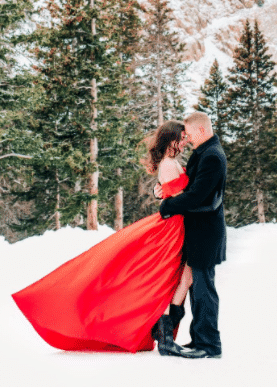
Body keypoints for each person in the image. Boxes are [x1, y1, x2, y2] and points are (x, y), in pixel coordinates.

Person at [11, 120, 194, 354]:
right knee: (161, 279)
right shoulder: (169, 164)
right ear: (172, 140)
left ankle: (163, 331)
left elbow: (173, 193)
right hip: (172, 226)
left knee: (171, 279)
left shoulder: (173, 162)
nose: (186, 140)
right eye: (182, 136)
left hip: (177, 224)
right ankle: (159, 332)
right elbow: (180, 198)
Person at [155, 111, 227, 359]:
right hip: (197, 231)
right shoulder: (204, 153)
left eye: (188, 134)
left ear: (201, 131)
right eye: (182, 136)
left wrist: (167, 206)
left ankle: (209, 345)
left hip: (206, 233)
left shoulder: (212, 157)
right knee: (196, 288)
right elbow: (186, 186)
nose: (186, 139)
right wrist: (164, 192)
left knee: (204, 289)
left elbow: (199, 196)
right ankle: (199, 339)